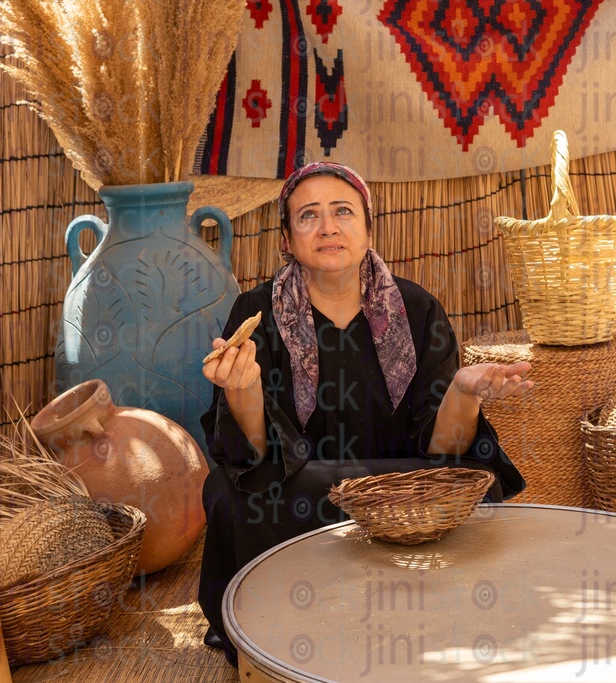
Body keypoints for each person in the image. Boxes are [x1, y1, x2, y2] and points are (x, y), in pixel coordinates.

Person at [197, 162, 533, 666]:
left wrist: (464, 393)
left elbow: (441, 448)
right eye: (308, 215)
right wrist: (244, 390)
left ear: (368, 227)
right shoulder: (257, 312)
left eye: (342, 212)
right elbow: (256, 454)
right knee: (230, 493)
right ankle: (287, 629)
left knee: (473, 473)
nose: (328, 227)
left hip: (400, 489)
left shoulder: (417, 310)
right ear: (287, 239)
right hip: (302, 493)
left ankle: (433, 617)